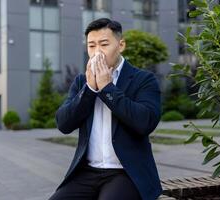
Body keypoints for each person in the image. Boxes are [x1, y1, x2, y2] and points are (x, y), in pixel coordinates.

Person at [49, 18, 162, 200]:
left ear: (121, 45)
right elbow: (63, 123)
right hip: (87, 171)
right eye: (91, 46)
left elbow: (145, 122)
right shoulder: (81, 81)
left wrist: (107, 88)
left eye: (104, 44)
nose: (97, 53)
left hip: (126, 173)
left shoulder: (144, 79)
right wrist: (91, 89)